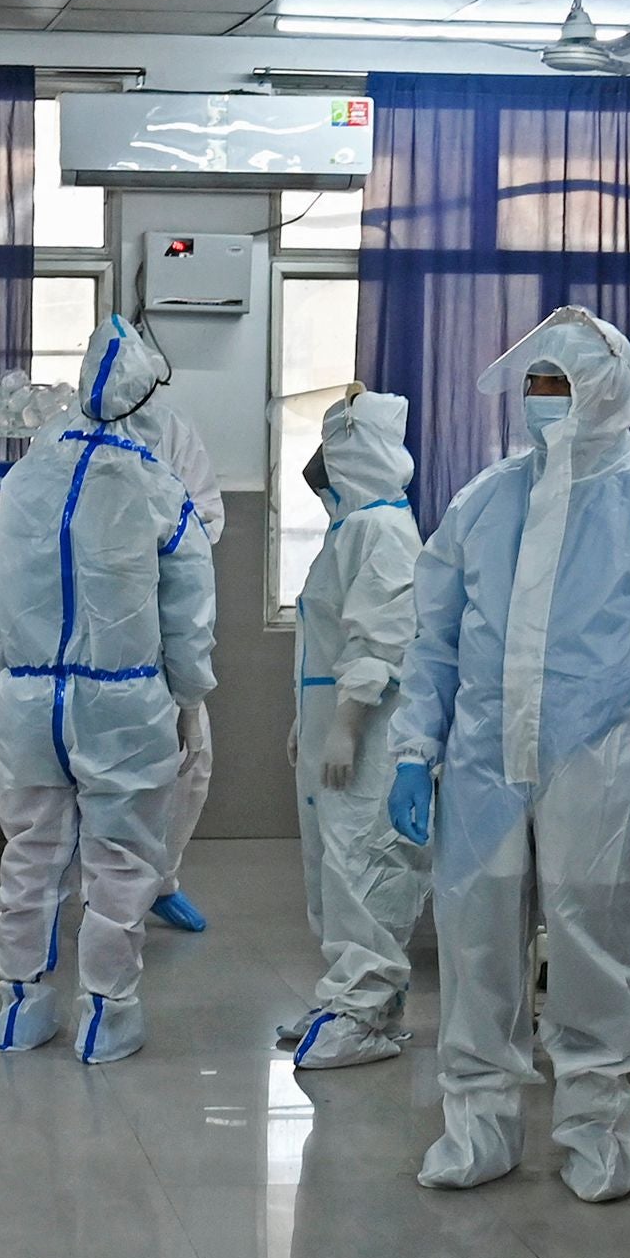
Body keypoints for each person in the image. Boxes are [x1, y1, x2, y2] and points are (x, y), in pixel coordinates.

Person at [386, 308, 630, 1200]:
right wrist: (413, 748)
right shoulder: (485, 499)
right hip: (483, 757)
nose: (543, 401)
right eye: (535, 384)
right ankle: (477, 1126)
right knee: (475, 938)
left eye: (560, 385)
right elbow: (433, 640)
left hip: (602, 757)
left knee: (593, 943)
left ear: (607, 391)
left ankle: (595, 1132)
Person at [0, 315, 216, 1064]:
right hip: (120, 703)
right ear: (143, 398)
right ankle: (104, 1016)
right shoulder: (153, 485)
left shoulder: (27, 474)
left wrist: (11, 670)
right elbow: (187, 607)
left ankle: (19, 1008)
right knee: (119, 859)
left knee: (31, 853)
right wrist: (187, 695)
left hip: (26, 700)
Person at [287, 387, 428, 1070]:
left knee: (363, 863)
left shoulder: (382, 530)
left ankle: (363, 1008)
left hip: (369, 732)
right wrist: (309, 722)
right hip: (332, 723)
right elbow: (328, 638)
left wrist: (344, 726)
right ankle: (349, 993)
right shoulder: (353, 528)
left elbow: (381, 638)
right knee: (331, 868)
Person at [136, 354, 226, 937]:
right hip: (78, 645)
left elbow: (205, 520)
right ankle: (101, 890)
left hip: (155, 622)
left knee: (190, 763)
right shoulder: (60, 441)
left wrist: (158, 541)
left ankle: (158, 880)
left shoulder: (169, 431)